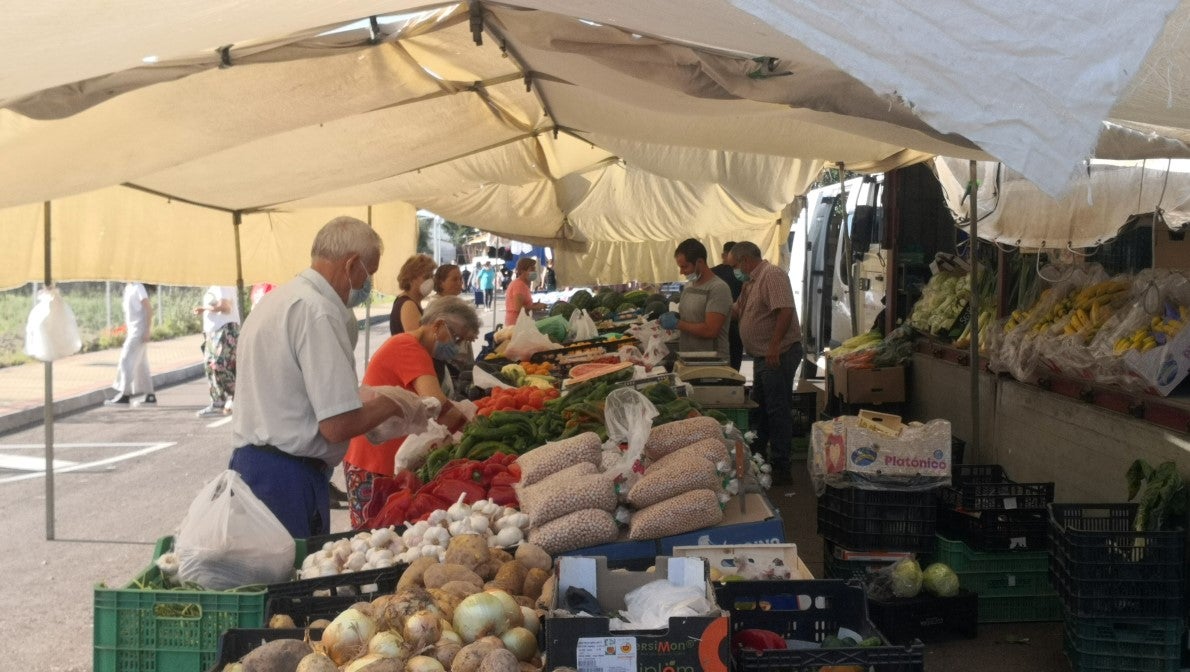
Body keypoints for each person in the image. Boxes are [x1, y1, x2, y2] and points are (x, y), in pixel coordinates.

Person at [229, 216, 430, 538]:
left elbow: (298, 392)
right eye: (370, 273)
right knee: (290, 579)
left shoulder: (280, 300)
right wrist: (395, 403)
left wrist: (369, 398)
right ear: (352, 265)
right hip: (287, 478)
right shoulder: (317, 311)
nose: (368, 285)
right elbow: (337, 425)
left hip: (258, 466)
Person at [342, 297, 478, 527]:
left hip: (384, 458)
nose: (458, 348)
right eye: (457, 339)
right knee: (373, 535)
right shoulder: (408, 348)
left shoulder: (413, 347)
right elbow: (437, 404)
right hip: (373, 461)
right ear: (437, 326)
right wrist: (473, 431)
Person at [732, 240, 802, 487]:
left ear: (745, 261)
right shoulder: (750, 282)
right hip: (763, 356)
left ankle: (783, 467)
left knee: (777, 409)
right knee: (760, 408)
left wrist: (773, 346)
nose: (734, 271)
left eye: (734, 266)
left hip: (778, 354)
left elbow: (785, 311)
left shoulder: (771, 275)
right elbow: (737, 311)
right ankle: (760, 460)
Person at [659, 239, 732, 362]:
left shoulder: (718, 288)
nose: (682, 272)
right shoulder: (689, 286)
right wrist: (677, 316)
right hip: (688, 358)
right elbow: (692, 317)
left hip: (712, 362)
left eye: (685, 267)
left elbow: (711, 330)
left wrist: (677, 324)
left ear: (700, 262)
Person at [105, 282, 156, 406]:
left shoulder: (138, 287)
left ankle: (124, 394)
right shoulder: (128, 288)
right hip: (134, 330)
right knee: (141, 365)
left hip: (139, 332)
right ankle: (150, 396)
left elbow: (148, 308)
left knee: (125, 360)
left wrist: (147, 330)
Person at [193, 285, 240, 417]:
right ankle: (218, 401)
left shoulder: (223, 284)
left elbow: (226, 307)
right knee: (209, 365)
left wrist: (205, 308)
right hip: (212, 332)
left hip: (225, 330)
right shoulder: (213, 287)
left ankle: (238, 395)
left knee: (218, 364)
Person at [710, 241, 745, 370]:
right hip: (736, 325)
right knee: (734, 368)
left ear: (723, 255)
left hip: (714, 325)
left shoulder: (711, 273)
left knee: (716, 367)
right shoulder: (743, 275)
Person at [390, 254, 437, 335]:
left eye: (432, 276)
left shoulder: (411, 302)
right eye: (426, 277)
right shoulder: (408, 305)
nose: (430, 281)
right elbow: (418, 341)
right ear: (411, 278)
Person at [504, 257, 547, 326]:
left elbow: (524, 304)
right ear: (522, 271)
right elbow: (518, 308)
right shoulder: (518, 285)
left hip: (519, 322)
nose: (535, 272)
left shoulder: (523, 284)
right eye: (532, 269)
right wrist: (535, 307)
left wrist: (535, 304)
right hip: (515, 324)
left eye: (535, 269)